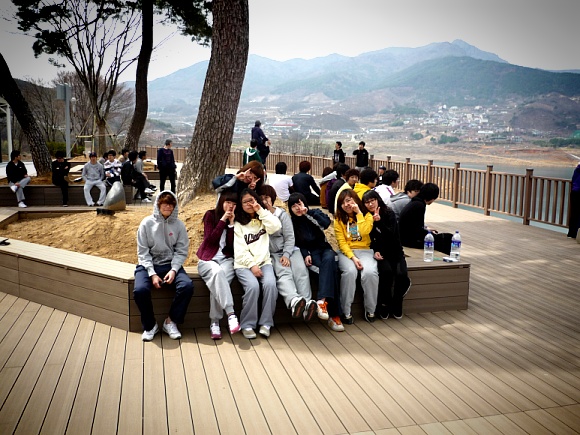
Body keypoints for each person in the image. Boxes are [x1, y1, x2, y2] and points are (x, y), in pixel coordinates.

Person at [134, 191, 194, 341]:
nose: (168, 207)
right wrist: (152, 273)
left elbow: (181, 251)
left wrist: (174, 270)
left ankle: (171, 321)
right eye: (164, 204)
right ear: (158, 205)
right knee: (140, 290)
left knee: (187, 286)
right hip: (148, 265)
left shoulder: (179, 225)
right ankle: (150, 326)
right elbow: (142, 252)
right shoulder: (146, 223)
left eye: (171, 204)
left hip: (170, 264)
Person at [259, 185, 317, 322]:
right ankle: (293, 300)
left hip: (290, 249)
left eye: (267, 197)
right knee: (284, 273)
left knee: (301, 270)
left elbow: (290, 237)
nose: (264, 201)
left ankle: (307, 304)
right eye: (261, 198)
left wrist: (286, 254)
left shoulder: (282, 215)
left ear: (272, 198)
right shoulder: (258, 217)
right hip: (273, 253)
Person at [287, 192, 344, 332]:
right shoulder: (292, 223)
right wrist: (305, 254)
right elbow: (296, 242)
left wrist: (308, 213)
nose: (297, 208)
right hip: (312, 253)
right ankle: (334, 316)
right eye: (293, 206)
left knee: (330, 259)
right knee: (332, 272)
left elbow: (325, 224)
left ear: (304, 203)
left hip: (325, 249)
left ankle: (321, 301)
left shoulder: (314, 213)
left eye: (299, 204)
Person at [233, 188, 281, 339]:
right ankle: (247, 324)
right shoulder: (238, 224)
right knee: (253, 287)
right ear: (240, 205)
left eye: (251, 200)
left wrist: (260, 210)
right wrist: (252, 265)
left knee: (270, 285)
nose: (248, 204)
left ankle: (266, 323)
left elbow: (276, 226)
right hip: (244, 265)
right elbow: (240, 250)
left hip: (264, 262)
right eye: (245, 202)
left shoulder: (263, 218)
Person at [196, 190, 241, 340]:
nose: (230, 206)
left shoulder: (235, 219)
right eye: (228, 202)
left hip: (226, 260)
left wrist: (231, 224)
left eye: (234, 204)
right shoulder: (210, 215)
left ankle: (214, 322)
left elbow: (231, 246)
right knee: (217, 274)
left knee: (219, 282)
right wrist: (222, 220)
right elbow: (210, 240)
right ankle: (231, 314)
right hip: (207, 260)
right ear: (221, 201)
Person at [363, 190, 411, 320]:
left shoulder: (389, 213)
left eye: (372, 200)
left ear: (377, 200)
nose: (370, 204)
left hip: (395, 250)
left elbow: (392, 236)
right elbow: (369, 239)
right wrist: (375, 251)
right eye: (367, 202)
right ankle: (384, 303)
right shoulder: (366, 217)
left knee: (401, 274)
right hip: (381, 252)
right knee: (386, 272)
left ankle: (397, 301)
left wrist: (379, 222)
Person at [334, 189, 379, 324]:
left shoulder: (367, 215)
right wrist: (353, 257)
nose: (346, 205)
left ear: (355, 199)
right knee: (350, 272)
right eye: (342, 203)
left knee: (370, 273)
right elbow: (341, 242)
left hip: (365, 251)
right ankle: (345, 311)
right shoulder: (338, 219)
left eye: (348, 200)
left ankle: (370, 309)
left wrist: (359, 213)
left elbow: (364, 231)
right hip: (347, 253)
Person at [398, 182, 452, 254]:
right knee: (448, 238)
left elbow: (415, 226)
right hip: (409, 240)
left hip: (404, 237)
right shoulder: (419, 205)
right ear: (432, 197)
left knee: (442, 238)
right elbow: (418, 231)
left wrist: (427, 231)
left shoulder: (415, 202)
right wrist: (429, 234)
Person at [568, 161, 580, 239]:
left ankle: (572, 233)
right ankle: (577, 233)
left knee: (574, 212)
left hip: (574, 192)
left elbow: (573, 180)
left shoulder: (577, 169)